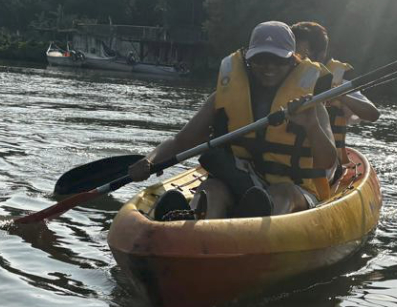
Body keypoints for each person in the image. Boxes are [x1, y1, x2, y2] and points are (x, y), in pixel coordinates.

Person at [128, 21, 338, 220]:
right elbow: (181, 142)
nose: (268, 67)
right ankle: (189, 220)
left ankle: (261, 225)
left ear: (293, 61)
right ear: (248, 59)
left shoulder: (310, 104)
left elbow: (327, 161)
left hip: (295, 190)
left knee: (282, 193)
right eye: (260, 59)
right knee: (213, 188)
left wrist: (312, 126)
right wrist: (150, 160)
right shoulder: (224, 97)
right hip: (241, 183)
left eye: (278, 60)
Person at [290, 22, 380, 179]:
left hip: (324, 167)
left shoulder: (338, 84)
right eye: (292, 53)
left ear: (320, 54)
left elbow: (372, 114)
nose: (296, 59)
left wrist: (339, 95)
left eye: (302, 54)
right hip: (283, 160)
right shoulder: (279, 80)